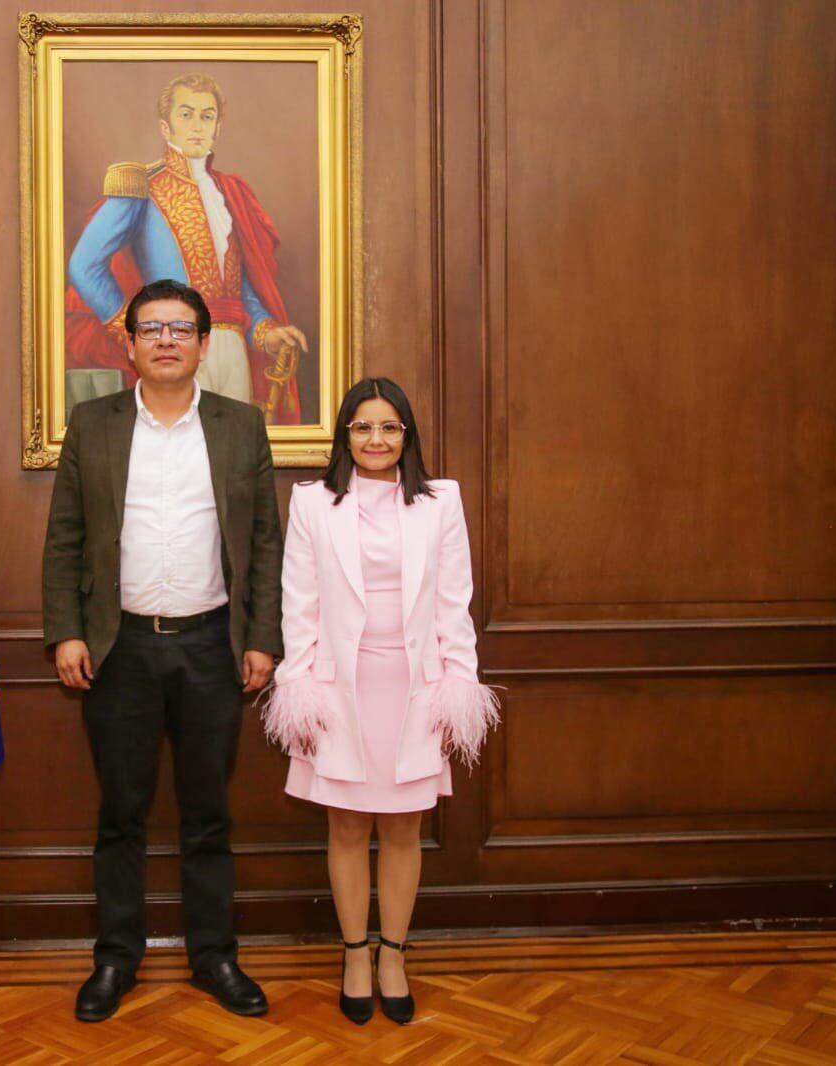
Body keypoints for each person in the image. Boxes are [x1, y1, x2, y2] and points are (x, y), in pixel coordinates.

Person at [42, 278, 284, 1022]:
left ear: (205, 344)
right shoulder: (95, 425)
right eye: (153, 329)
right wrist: (67, 631)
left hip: (213, 645)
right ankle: (116, 960)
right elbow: (66, 539)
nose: (168, 341)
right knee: (122, 812)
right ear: (132, 344)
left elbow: (266, 545)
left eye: (182, 329)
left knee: (208, 812)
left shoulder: (242, 426)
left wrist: (262, 640)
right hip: (121, 650)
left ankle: (215, 957)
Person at [262, 377, 500, 1025]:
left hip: (414, 687)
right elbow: (298, 606)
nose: (376, 439)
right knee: (345, 825)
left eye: (389, 427)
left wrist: (458, 689)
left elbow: (456, 605)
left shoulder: (440, 502)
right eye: (363, 427)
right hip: (341, 688)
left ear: (407, 435)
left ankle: (393, 953)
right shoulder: (313, 503)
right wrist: (299, 690)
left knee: (402, 828)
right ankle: (354, 955)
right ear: (345, 435)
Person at [63, 72, 309, 424]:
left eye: (207, 116)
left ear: (217, 126)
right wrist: (133, 328)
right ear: (166, 128)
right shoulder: (141, 186)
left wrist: (266, 331)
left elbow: (238, 291)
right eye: (186, 114)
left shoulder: (232, 193)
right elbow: (85, 266)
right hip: (175, 347)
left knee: (232, 459)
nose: (197, 125)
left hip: (233, 349)